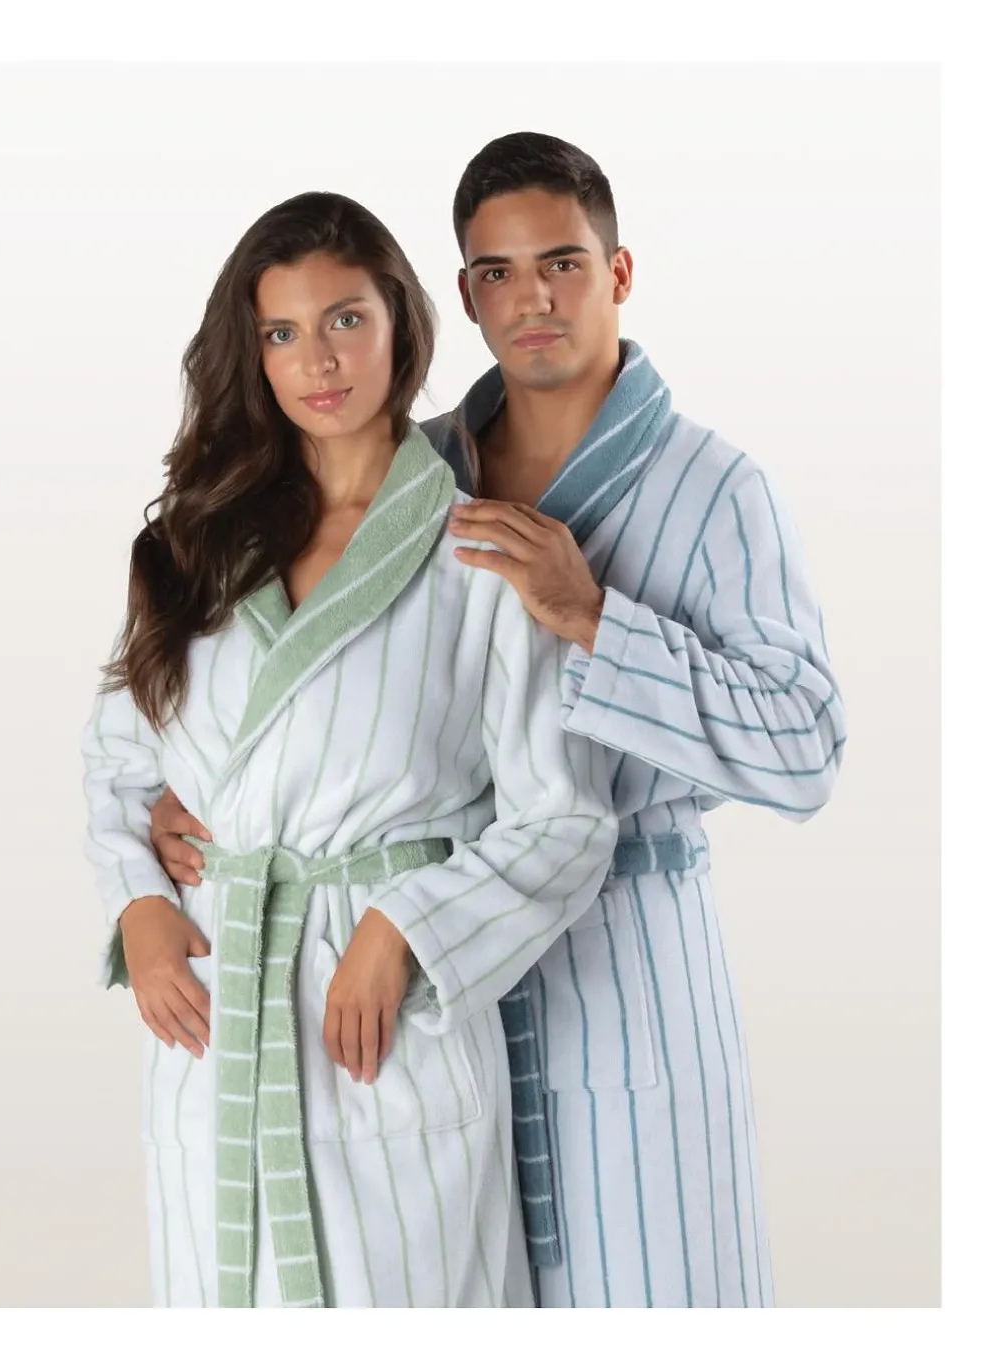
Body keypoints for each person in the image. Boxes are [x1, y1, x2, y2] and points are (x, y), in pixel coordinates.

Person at [152, 133, 847, 1309]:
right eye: (497, 272)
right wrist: (202, 794)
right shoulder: (414, 477)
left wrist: (596, 618)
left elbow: (807, 750)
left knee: (649, 1297)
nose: (532, 299)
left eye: (562, 263)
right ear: (462, 296)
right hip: (402, 991)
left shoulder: (715, 490)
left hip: (620, 965)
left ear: (618, 272)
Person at [81, 189, 619, 1309]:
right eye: (282, 333)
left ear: (401, 323)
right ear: (253, 356)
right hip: (218, 1013)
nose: (317, 360)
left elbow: (565, 820)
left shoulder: (483, 552)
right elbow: (118, 765)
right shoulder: (196, 547)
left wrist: (408, 926)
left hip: (383, 1029)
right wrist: (138, 906)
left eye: (345, 320)